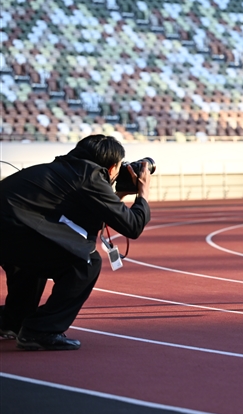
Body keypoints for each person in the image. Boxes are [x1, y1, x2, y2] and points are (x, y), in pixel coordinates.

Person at [0, 134, 151, 350]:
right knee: (85, 261)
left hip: (12, 229)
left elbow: (85, 221)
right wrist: (143, 193)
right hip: (16, 229)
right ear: (110, 168)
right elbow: (133, 226)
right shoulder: (91, 176)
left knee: (35, 261)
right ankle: (40, 330)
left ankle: (11, 322)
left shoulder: (65, 170)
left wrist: (118, 195)